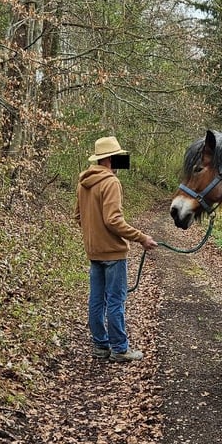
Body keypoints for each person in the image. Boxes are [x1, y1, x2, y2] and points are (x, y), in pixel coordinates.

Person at [74, 136, 157, 362]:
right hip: (113, 252)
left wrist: (94, 234)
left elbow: (78, 216)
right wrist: (142, 238)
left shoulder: (83, 182)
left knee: (96, 301)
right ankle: (120, 349)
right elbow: (113, 220)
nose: (122, 160)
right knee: (115, 302)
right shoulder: (110, 182)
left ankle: (100, 346)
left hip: (94, 252)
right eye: (119, 156)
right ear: (110, 159)